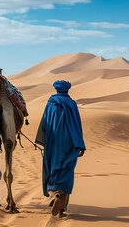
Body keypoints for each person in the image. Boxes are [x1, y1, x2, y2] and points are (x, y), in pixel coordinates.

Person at [35, 80, 85, 218]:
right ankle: (62, 208)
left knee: (52, 167)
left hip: (53, 142)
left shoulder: (51, 104)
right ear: (67, 90)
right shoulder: (72, 104)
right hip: (70, 144)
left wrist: (42, 140)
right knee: (67, 171)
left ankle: (54, 195)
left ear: (56, 90)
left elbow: (44, 125)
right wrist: (80, 144)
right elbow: (77, 125)